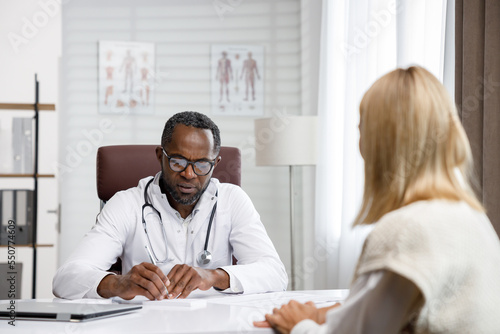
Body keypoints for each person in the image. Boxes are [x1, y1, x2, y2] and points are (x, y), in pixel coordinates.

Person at [254, 66, 500, 333]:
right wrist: (317, 313)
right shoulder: (471, 217)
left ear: (377, 143)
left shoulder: (407, 230)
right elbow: (392, 309)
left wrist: (298, 324)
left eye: (362, 129)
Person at [53, 111, 287, 300]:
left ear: (216, 163)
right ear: (159, 155)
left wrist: (214, 276)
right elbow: (65, 280)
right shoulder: (126, 204)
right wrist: (117, 283)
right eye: (178, 161)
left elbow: (275, 274)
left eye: (202, 164)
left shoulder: (233, 200)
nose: (188, 174)